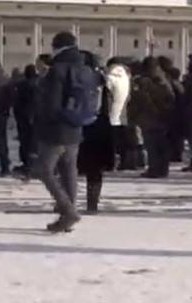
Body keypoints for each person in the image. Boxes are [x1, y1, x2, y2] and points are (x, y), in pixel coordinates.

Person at [34, 32, 97, 232]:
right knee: (69, 170)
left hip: (56, 130)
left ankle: (68, 211)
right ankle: (67, 217)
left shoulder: (57, 70)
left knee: (44, 169)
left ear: (57, 47)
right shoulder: (86, 69)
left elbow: (51, 105)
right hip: (76, 126)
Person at [78, 52, 116, 214]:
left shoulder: (80, 79)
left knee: (73, 165)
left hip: (83, 125)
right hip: (102, 126)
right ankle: (92, 203)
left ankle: (67, 201)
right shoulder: (106, 80)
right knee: (95, 169)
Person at [128, 56, 176, 178]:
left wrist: (133, 115)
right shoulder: (163, 79)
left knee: (152, 145)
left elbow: (138, 100)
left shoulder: (143, 82)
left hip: (149, 117)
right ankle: (162, 169)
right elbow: (171, 98)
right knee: (161, 144)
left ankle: (154, 169)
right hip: (163, 117)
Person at [106, 59, 134, 171]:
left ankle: (110, 164)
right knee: (123, 141)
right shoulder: (126, 77)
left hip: (111, 115)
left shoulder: (109, 78)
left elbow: (106, 96)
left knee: (111, 142)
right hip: (124, 114)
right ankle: (124, 163)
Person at [13, 64, 39, 175]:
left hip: (23, 117)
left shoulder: (21, 85)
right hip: (36, 117)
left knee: (25, 142)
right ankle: (33, 165)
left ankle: (26, 164)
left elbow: (17, 102)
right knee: (34, 143)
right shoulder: (40, 84)